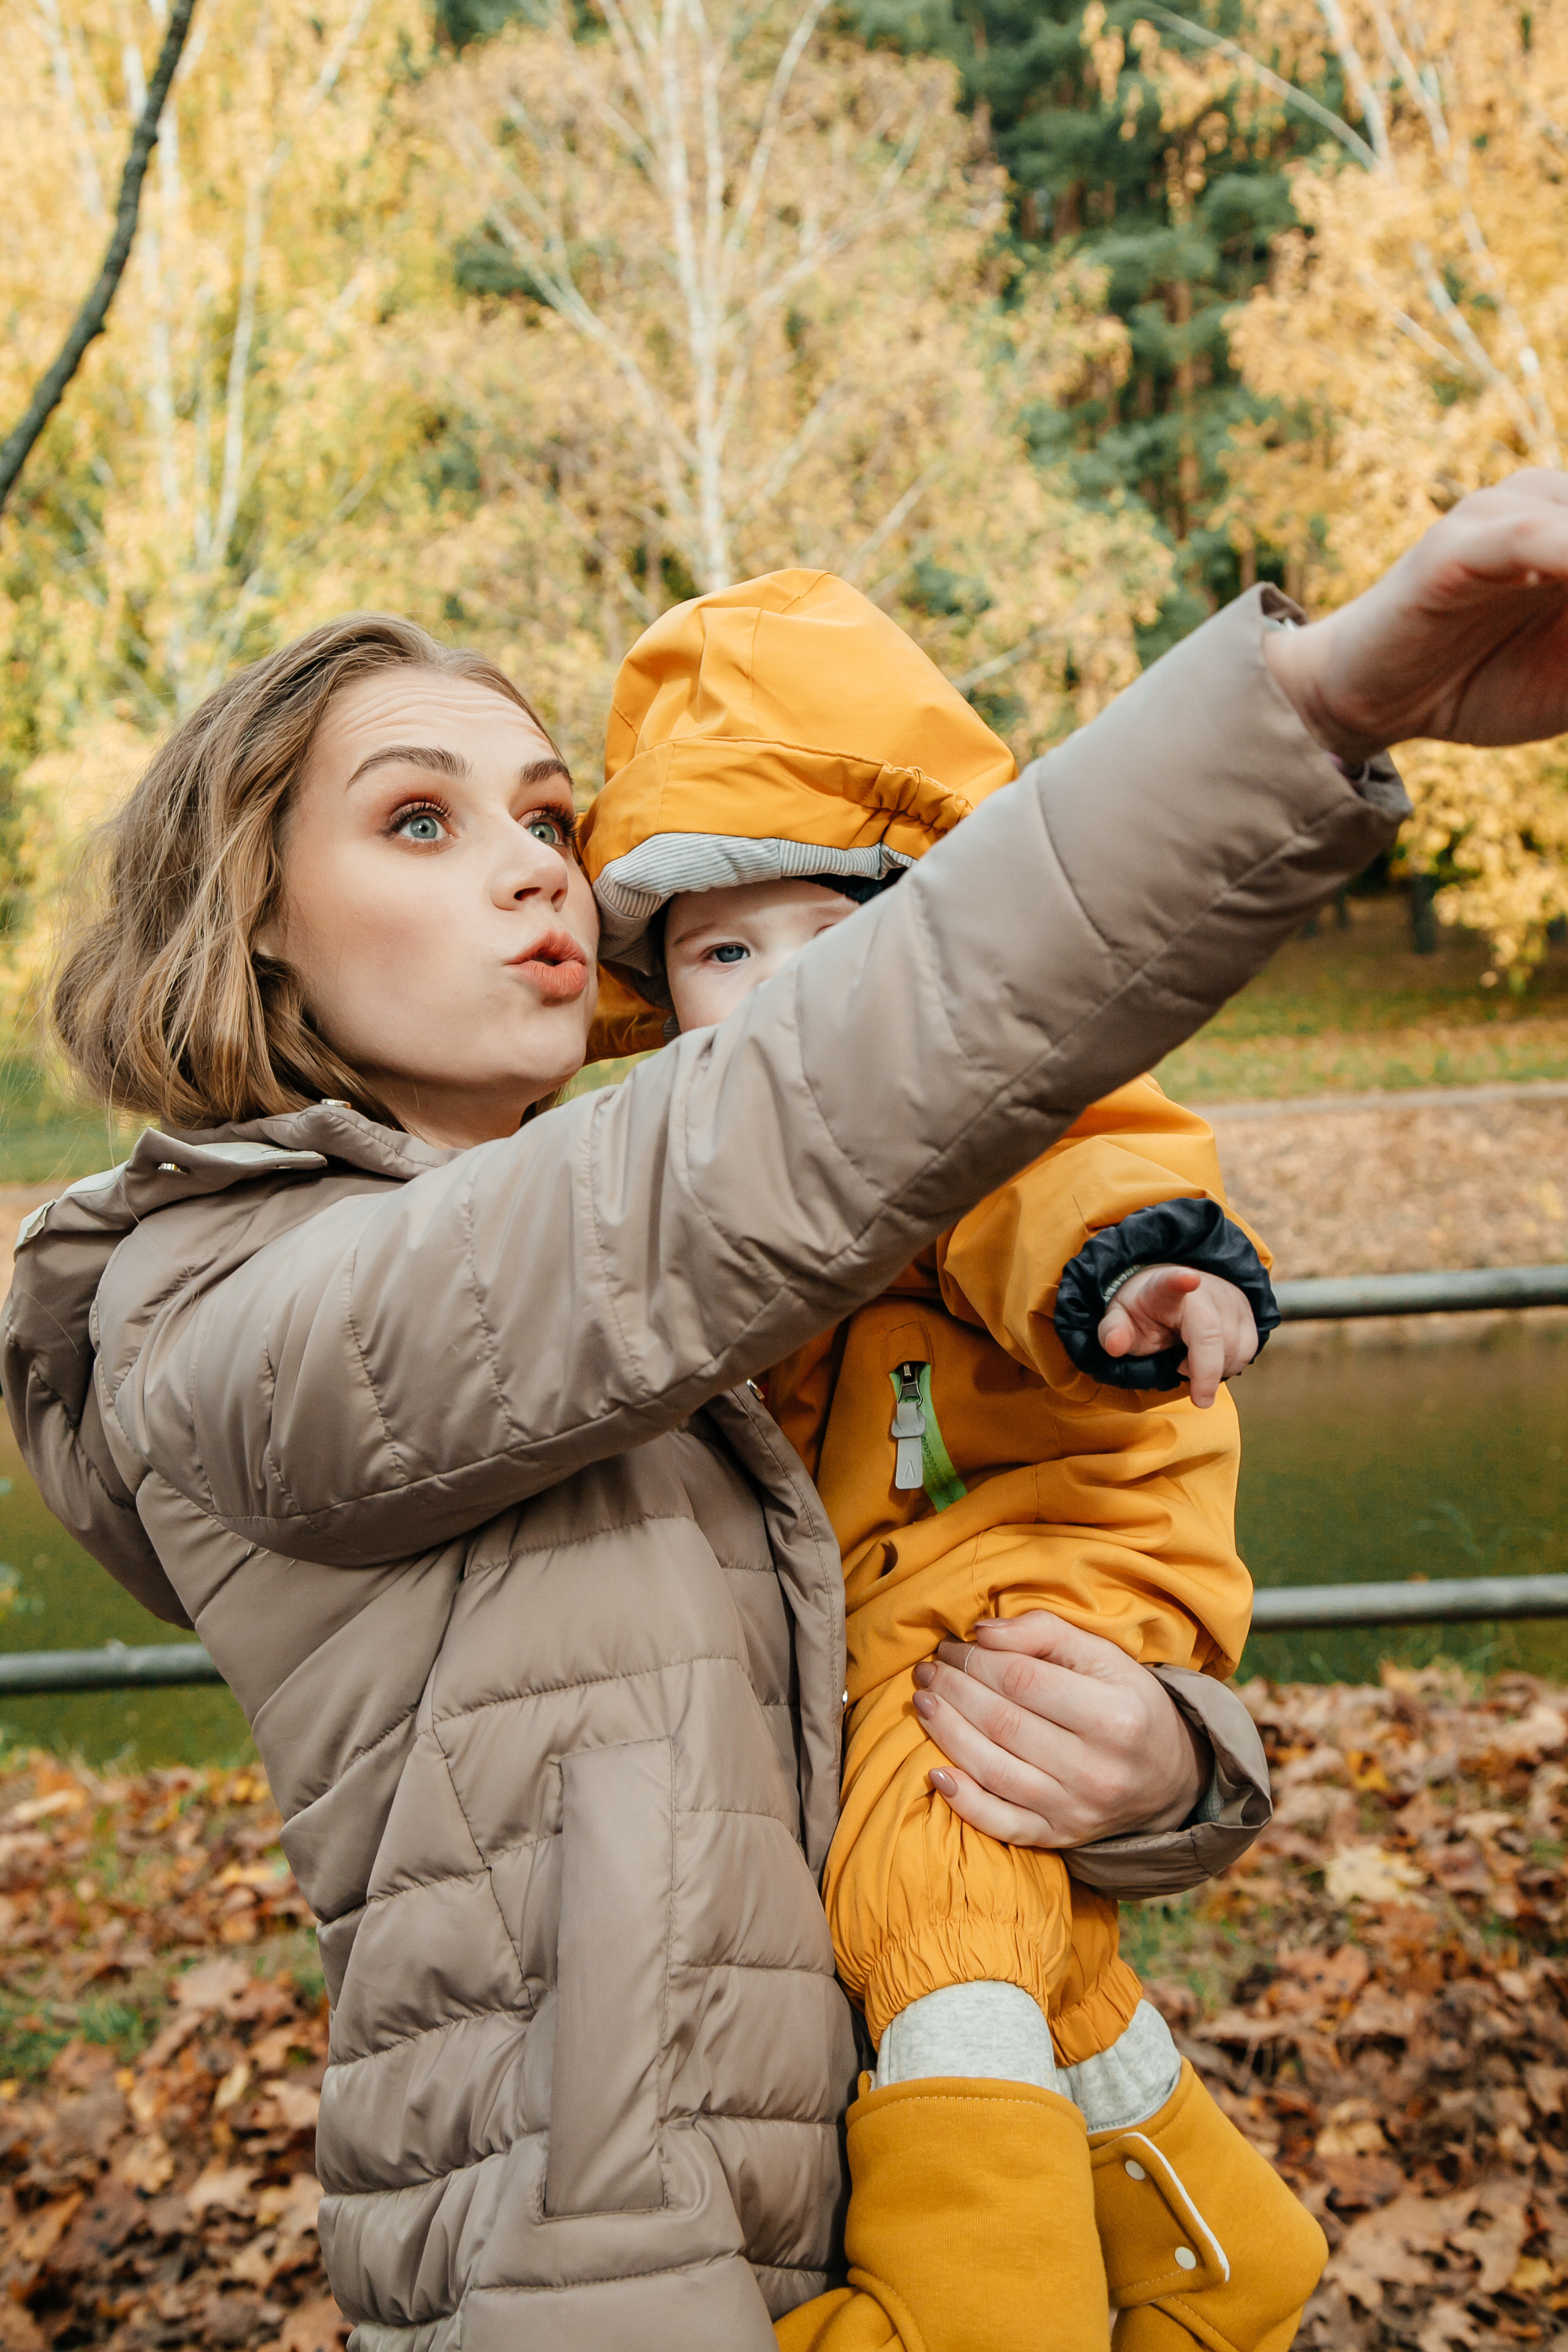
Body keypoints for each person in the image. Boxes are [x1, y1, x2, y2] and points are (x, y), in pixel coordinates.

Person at [4, 469, 1563, 2348]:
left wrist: (1158, 1771)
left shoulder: (660, 1319)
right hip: (611, 2288)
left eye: (549, 819)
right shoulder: (240, 1309)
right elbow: (762, 1136)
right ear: (250, 918)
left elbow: (879, 1680)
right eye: (418, 821)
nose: (528, 868)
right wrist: (1309, 709)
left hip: (861, 2224)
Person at [578, 569, 1321, 2352]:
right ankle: (1229, 2255)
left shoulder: (966, 1110)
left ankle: (982, 2321)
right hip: (913, 1619)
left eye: (820, 939)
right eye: (718, 954)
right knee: (1036, 1940)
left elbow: (1059, 1172)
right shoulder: (682, 1171)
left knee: (932, 1898)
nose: (770, 998)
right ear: (661, 985)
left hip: (1012, 1592)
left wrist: (1135, 1272)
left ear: (913, 941)